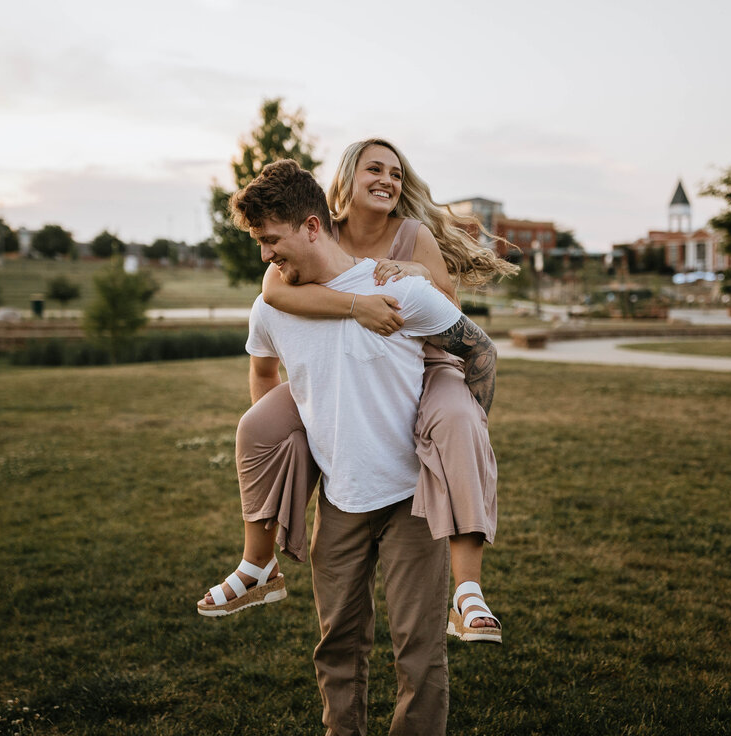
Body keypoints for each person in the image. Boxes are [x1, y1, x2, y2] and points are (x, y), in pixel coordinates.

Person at [198, 138, 516, 642]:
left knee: (458, 421)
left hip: (427, 361)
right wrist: (356, 307)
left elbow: (450, 315)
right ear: (346, 179)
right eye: (374, 168)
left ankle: (469, 590)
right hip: (349, 346)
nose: (387, 179)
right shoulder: (322, 231)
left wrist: (414, 273)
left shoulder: (412, 235)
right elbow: (274, 291)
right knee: (256, 426)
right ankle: (257, 565)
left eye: (395, 172)